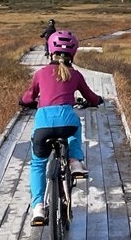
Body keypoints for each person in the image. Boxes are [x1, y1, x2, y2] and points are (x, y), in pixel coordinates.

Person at [20, 29, 102, 226]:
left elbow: (29, 97)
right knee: (75, 125)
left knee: (38, 164)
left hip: (43, 126)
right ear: (73, 53)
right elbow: (91, 97)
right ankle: (75, 161)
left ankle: (38, 207)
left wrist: (24, 102)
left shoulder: (40, 73)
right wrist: (97, 100)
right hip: (67, 123)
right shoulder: (75, 74)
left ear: (50, 51)